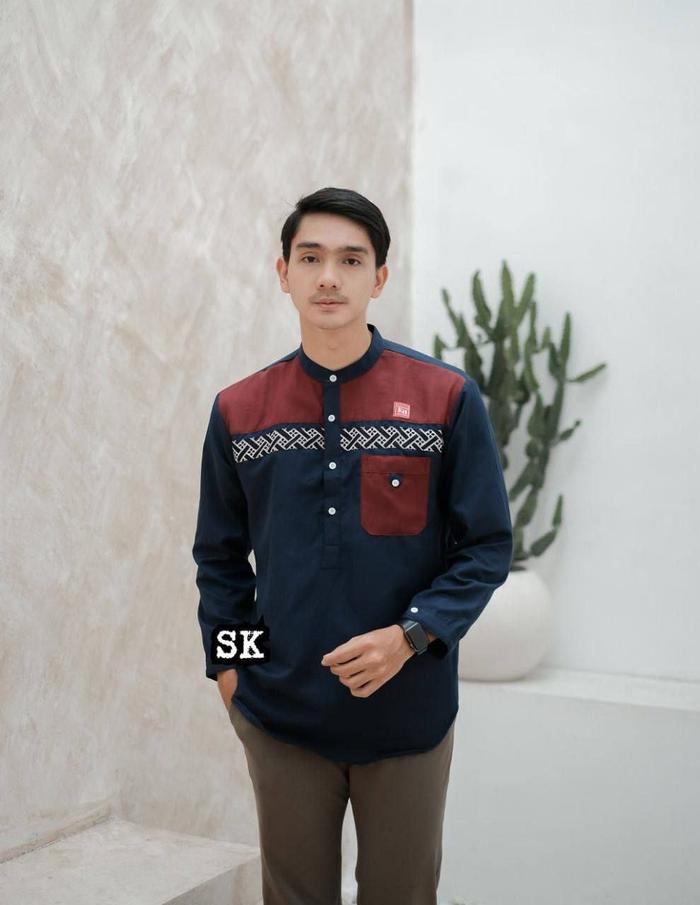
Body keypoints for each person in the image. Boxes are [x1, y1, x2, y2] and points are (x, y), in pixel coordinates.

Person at [192, 186, 513, 905]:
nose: (329, 277)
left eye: (350, 259)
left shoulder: (445, 398)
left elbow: (486, 545)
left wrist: (410, 636)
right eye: (310, 258)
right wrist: (233, 675)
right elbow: (220, 558)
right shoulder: (239, 410)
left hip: (409, 715)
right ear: (284, 274)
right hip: (279, 717)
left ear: (380, 277)